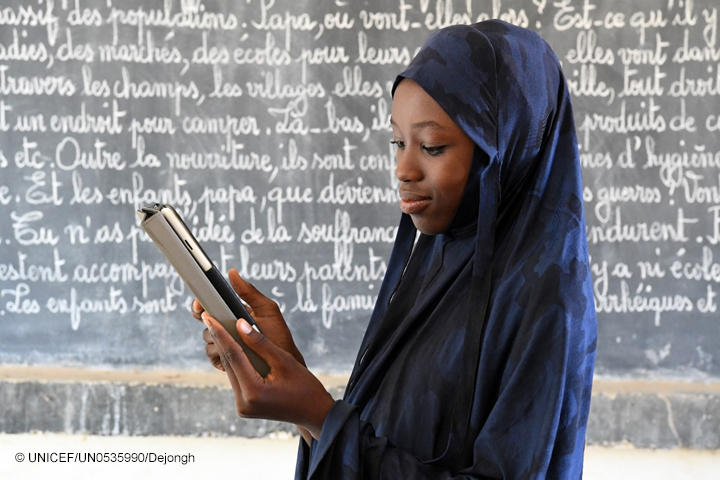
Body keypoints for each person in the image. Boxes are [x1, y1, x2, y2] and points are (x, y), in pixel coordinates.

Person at [193, 19, 597, 479]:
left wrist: (320, 416)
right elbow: (392, 438)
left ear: (504, 147)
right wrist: (290, 374)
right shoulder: (441, 256)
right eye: (398, 142)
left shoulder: (546, 298)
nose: (404, 169)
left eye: (432, 146)